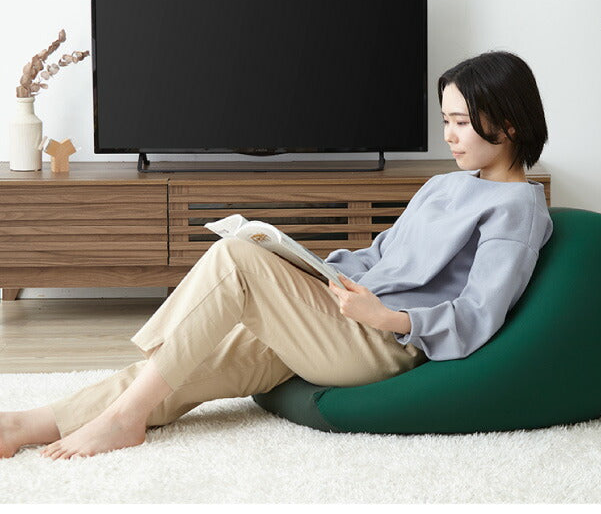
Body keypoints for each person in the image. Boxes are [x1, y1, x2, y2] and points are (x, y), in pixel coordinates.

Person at [0, 50, 553, 460]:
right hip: (344, 316)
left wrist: (388, 317)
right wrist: (306, 267)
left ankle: (124, 418)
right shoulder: (443, 185)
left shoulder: (517, 210)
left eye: (462, 123)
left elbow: (479, 315)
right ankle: (25, 424)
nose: (450, 136)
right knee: (187, 364)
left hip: (383, 344)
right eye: (446, 121)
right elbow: (381, 255)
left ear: (508, 123)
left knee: (235, 258)